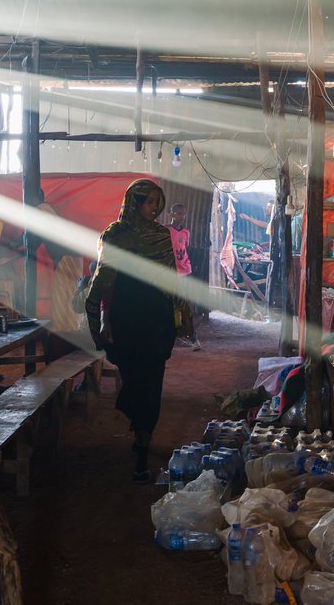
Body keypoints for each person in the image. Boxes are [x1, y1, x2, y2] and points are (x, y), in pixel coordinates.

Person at [86, 179, 194, 483]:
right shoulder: (115, 234)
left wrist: (184, 313)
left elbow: (170, 278)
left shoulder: (162, 235)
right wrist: (98, 317)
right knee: (132, 375)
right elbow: (103, 279)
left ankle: (144, 447)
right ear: (134, 203)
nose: (155, 208)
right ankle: (139, 422)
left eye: (157, 202)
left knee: (151, 379)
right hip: (126, 316)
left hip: (156, 317)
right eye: (149, 202)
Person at [168, 203, 201, 351]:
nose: (183, 216)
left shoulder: (186, 232)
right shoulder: (166, 230)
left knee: (186, 303)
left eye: (184, 213)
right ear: (172, 215)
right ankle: (179, 334)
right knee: (175, 303)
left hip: (185, 271)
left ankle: (189, 335)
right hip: (173, 273)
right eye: (179, 213)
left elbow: (184, 250)